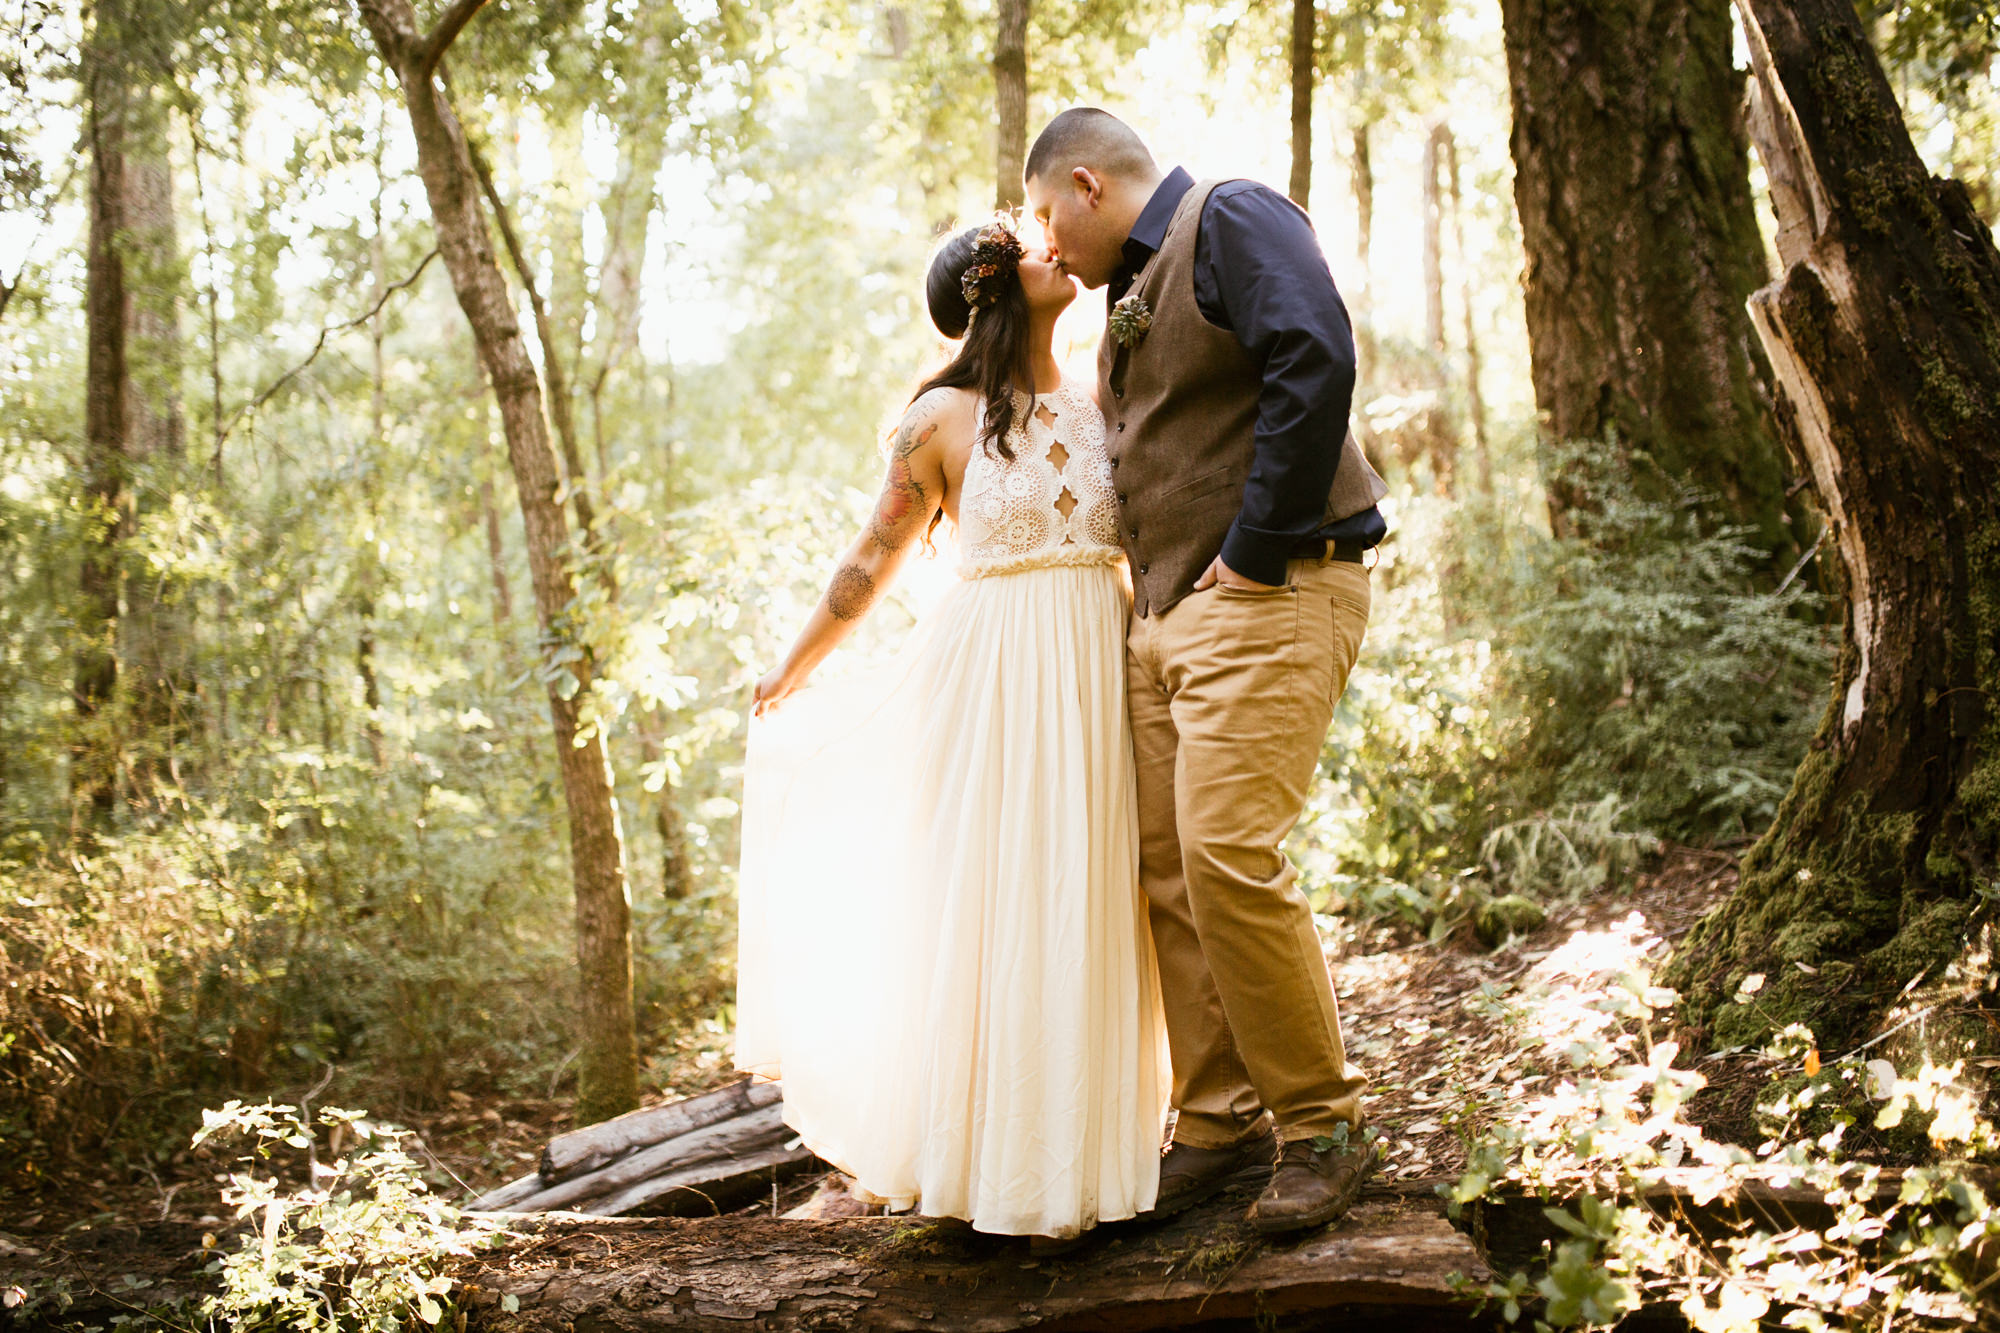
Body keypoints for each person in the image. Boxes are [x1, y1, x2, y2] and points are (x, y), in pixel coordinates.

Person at [733, 220, 1170, 1242]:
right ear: (989, 290)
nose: (1054, 248)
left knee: (1094, 893)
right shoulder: (934, 418)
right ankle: (986, 1165)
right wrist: (792, 664)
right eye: (1024, 246)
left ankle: (1086, 1165)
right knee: (999, 900)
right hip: (993, 676)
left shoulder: (1102, 387)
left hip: (1097, 663)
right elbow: (871, 557)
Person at [1024, 107, 1390, 1236]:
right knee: (1169, 873)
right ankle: (1220, 1120)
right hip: (1167, 617)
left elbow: (1313, 351)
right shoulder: (1126, 297)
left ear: (1087, 184)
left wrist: (1254, 542)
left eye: (1047, 214)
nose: (1047, 242)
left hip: (1271, 590)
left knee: (1229, 850)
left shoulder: (1229, 214)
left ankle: (1321, 1124)